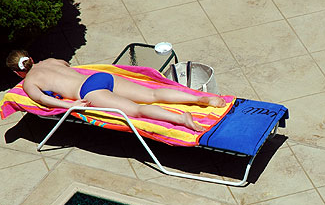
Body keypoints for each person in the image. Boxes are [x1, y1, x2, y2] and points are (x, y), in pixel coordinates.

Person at [6, 50, 226, 131]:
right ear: (32, 58)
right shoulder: (51, 61)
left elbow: (44, 101)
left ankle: (182, 120)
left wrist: (69, 104)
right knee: (153, 94)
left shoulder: (27, 83)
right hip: (100, 77)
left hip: (88, 91)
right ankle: (200, 98)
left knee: (137, 110)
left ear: (17, 73)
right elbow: (65, 64)